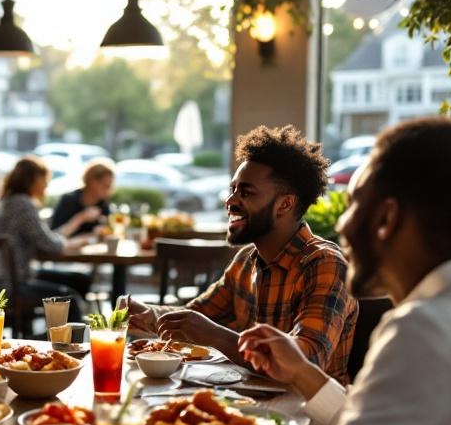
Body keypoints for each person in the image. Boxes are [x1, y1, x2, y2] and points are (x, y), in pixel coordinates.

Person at [238, 118, 451, 425]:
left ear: (386, 218)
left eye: (354, 203)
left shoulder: (425, 331)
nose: (341, 226)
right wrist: (303, 373)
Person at [127, 125, 358, 384]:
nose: (230, 201)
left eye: (246, 192)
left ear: (285, 204)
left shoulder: (324, 264)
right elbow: (194, 317)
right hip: (249, 402)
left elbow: (306, 362)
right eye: (233, 189)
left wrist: (215, 336)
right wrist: (147, 314)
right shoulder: (246, 260)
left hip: (310, 416)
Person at [0, 156, 93, 323]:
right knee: (70, 300)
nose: (46, 185)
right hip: (11, 284)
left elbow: (43, 239)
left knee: (79, 280)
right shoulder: (22, 204)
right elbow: (50, 245)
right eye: (44, 180)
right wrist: (75, 243)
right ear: (33, 180)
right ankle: (64, 343)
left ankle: (57, 334)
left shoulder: (2, 203)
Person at [50, 158, 116, 235]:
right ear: (92, 182)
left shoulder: (103, 203)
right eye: (105, 186)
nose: (109, 191)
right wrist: (81, 218)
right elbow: (54, 235)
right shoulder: (69, 200)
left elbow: (110, 230)